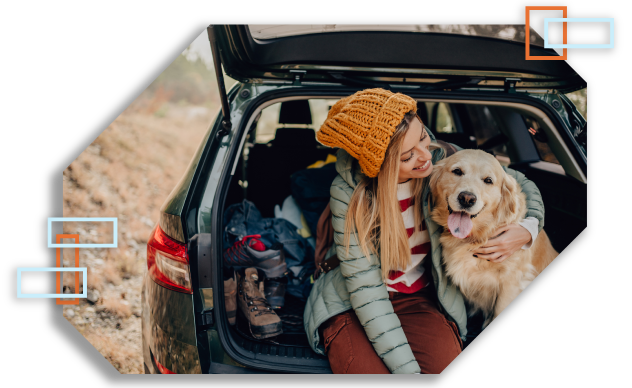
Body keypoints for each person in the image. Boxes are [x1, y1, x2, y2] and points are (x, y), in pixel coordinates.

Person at [303, 89, 544, 374]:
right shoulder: (348, 193)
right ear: (381, 163)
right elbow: (366, 291)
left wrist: (528, 230)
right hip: (355, 300)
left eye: (421, 137)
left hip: (420, 296)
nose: (424, 156)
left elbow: (520, 182)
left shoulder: (446, 161)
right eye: (407, 156)